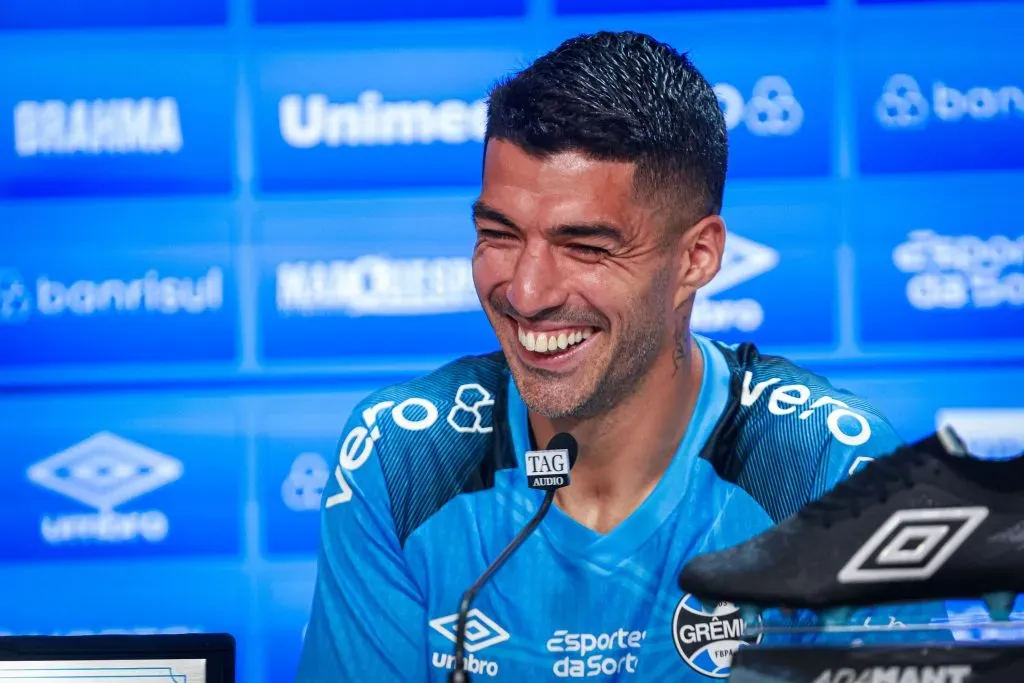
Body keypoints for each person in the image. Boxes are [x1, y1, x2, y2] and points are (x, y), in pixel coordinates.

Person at [296, 30, 941, 682]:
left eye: (585, 247)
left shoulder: (829, 470)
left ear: (697, 257)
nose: (526, 292)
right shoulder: (405, 458)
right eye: (499, 234)